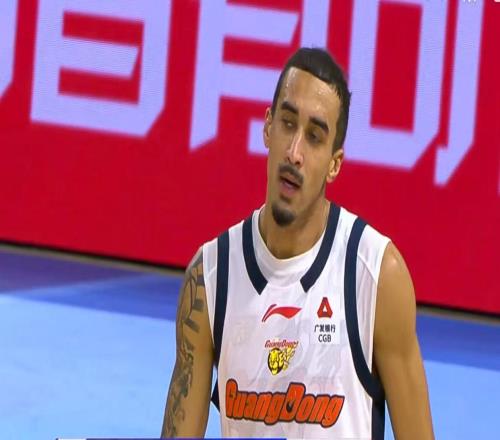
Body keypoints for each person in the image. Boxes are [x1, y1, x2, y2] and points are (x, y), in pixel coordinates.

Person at [161, 47, 434, 439]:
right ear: (267, 127)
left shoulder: (375, 276)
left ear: (335, 164)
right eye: (288, 124)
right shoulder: (210, 277)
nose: (294, 152)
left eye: (314, 137)